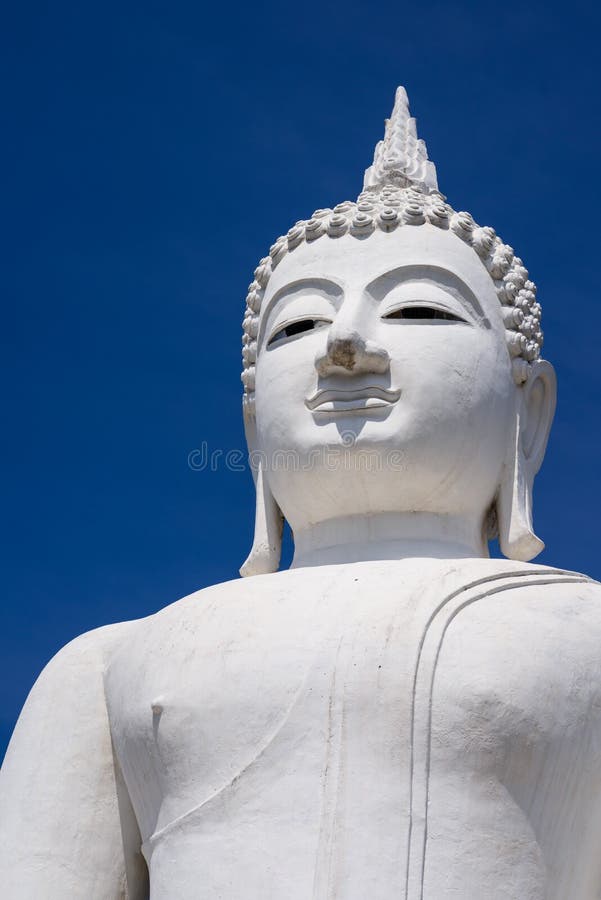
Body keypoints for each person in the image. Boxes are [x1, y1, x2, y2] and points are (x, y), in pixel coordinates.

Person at [1, 87, 600, 900]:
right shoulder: (108, 667)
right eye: (298, 326)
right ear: (251, 424)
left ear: (526, 407)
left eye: (418, 309)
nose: (345, 346)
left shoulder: (583, 634)